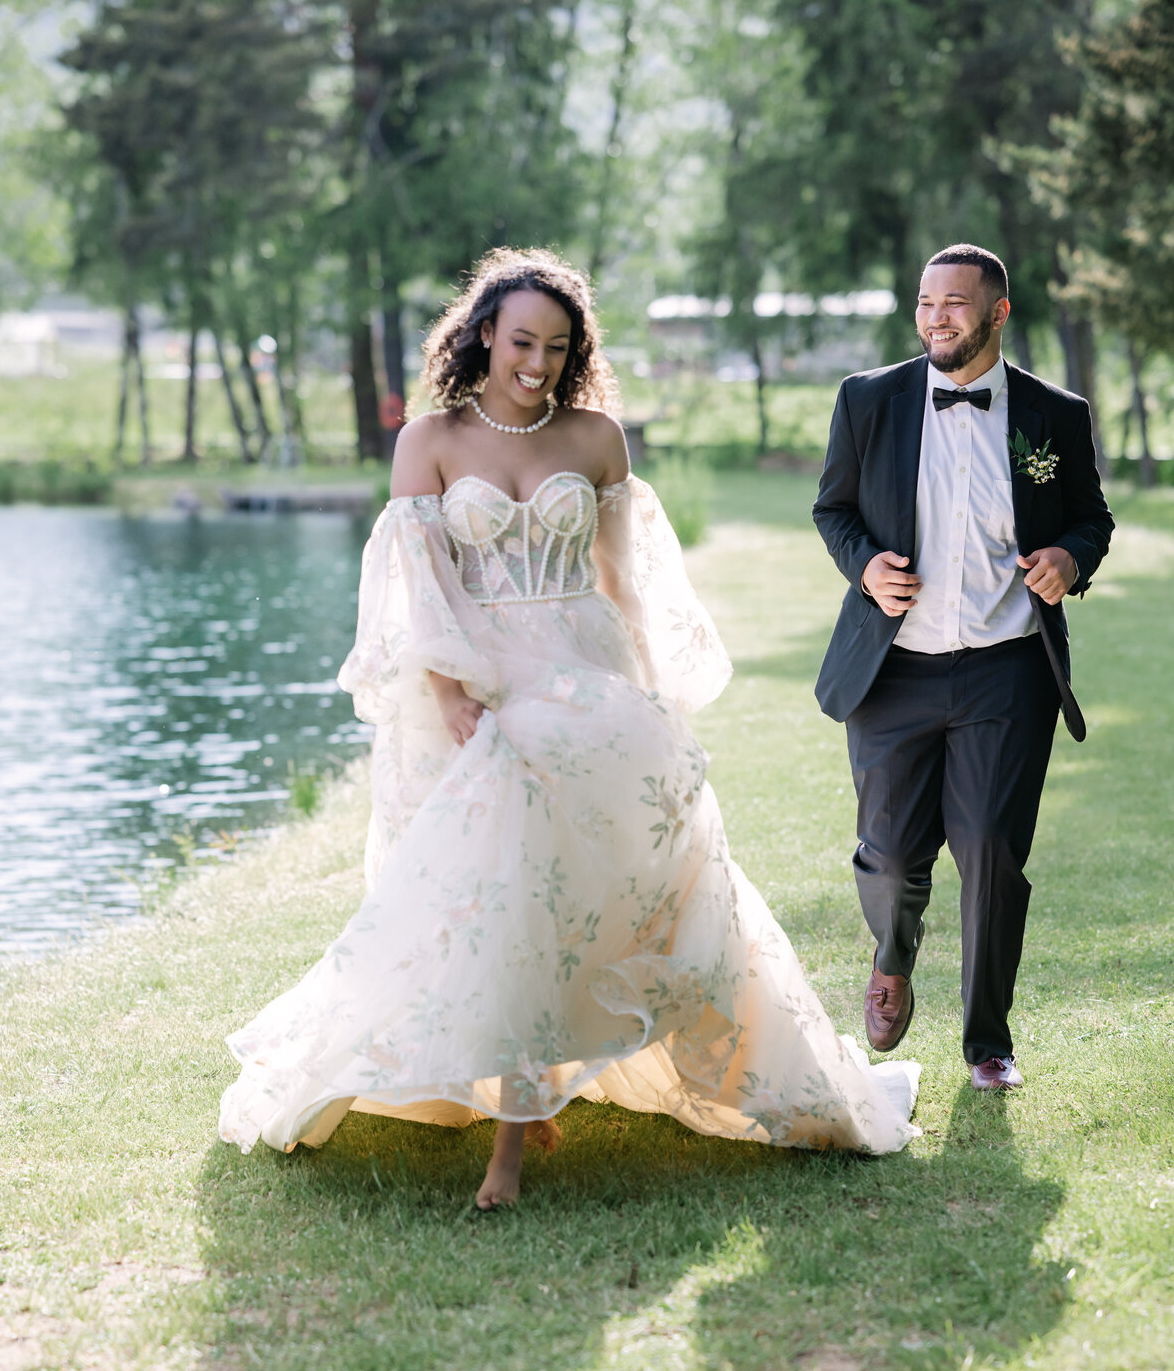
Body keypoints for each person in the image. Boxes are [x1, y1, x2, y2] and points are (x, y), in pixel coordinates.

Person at [220, 248, 919, 1207]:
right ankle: (517, 1105)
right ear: (480, 337)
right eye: (520, 342)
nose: (536, 363)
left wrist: (653, 693)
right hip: (481, 684)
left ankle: (523, 1130)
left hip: (584, 678)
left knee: (577, 895)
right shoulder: (428, 440)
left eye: (556, 346)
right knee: (501, 899)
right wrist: (453, 693)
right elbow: (419, 588)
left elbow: (624, 582)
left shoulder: (596, 439)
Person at [813, 243, 1113, 1091]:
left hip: (1006, 669)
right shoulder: (868, 400)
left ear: (997, 313)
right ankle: (893, 954)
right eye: (925, 302)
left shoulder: (1054, 414)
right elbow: (832, 508)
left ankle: (988, 1040)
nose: (936, 316)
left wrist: (1069, 556)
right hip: (893, 669)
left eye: (954, 303)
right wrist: (864, 565)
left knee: (988, 849)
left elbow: (1092, 518)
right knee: (893, 854)